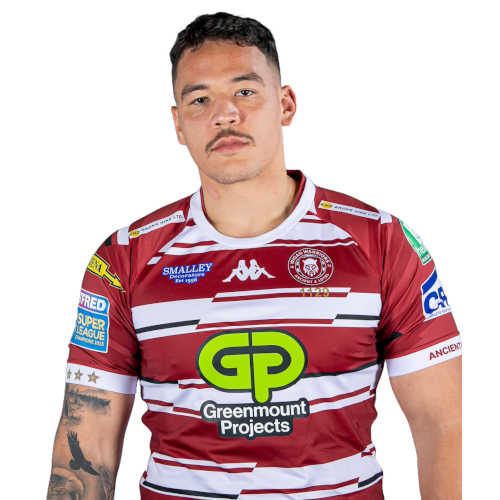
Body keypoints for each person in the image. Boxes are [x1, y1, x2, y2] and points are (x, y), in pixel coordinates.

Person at [47, 11, 462, 500]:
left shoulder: (382, 240)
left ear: (286, 104)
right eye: (200, 99)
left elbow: (445, 423)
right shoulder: (124, 257)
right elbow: (87, 443)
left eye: (245, 91)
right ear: (177, 124)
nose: (224, 115)